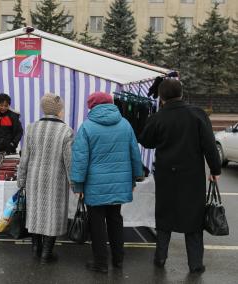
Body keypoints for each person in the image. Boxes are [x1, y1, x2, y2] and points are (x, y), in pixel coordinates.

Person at [139, 79, 221, 274]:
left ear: (162, 97)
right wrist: (215, 170)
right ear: (181, 93)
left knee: (165, 216)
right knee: (193, 219)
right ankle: (195, 264)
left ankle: (160, 258)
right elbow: (209, 146)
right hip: (192, 177)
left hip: (166, 176)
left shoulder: (158, 118)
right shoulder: (198, 114)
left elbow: (146, 141)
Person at [70, 91, 143, 273]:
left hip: (95, 184)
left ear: (92, 107)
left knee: (97, 223)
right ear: (111, 104)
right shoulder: (125, 124)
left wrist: (78, 184)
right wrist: (135, 178)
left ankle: (101, 263)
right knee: (115, 219)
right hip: (119, 182)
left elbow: (80, 159)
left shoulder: (86, 127)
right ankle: (118, 260)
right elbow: (135, 153)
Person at [17, 93, 74, 264]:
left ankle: (36, 249)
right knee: (53, 215)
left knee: (35, 213)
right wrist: (75, 184)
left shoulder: (32, 128)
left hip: (34, 179)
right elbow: (69, 161)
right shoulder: (66, 131)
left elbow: (24, 157)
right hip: (55, 180)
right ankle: (46, 253)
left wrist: (21, 180)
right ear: (58, 110)